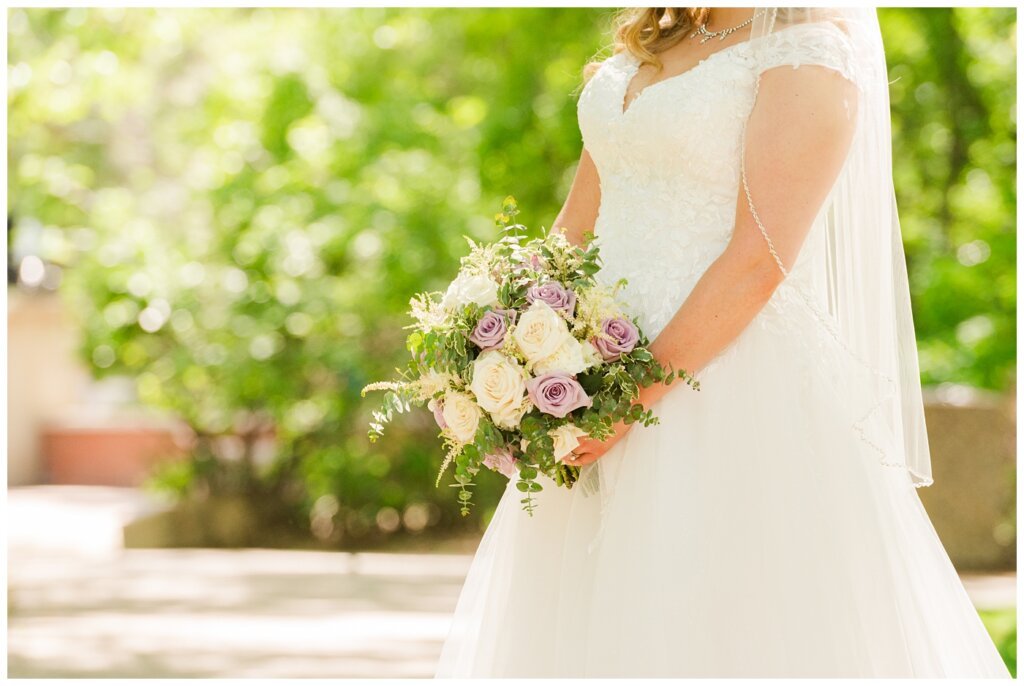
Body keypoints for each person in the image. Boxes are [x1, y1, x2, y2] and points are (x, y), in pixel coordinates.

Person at [434, 7, 1011, 677]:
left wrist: (625, 404)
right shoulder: (654, 39)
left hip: (724, 389)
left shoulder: (807, 53)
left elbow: (758, 261)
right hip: (588, 369)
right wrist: (497, 349)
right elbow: (574, 225)